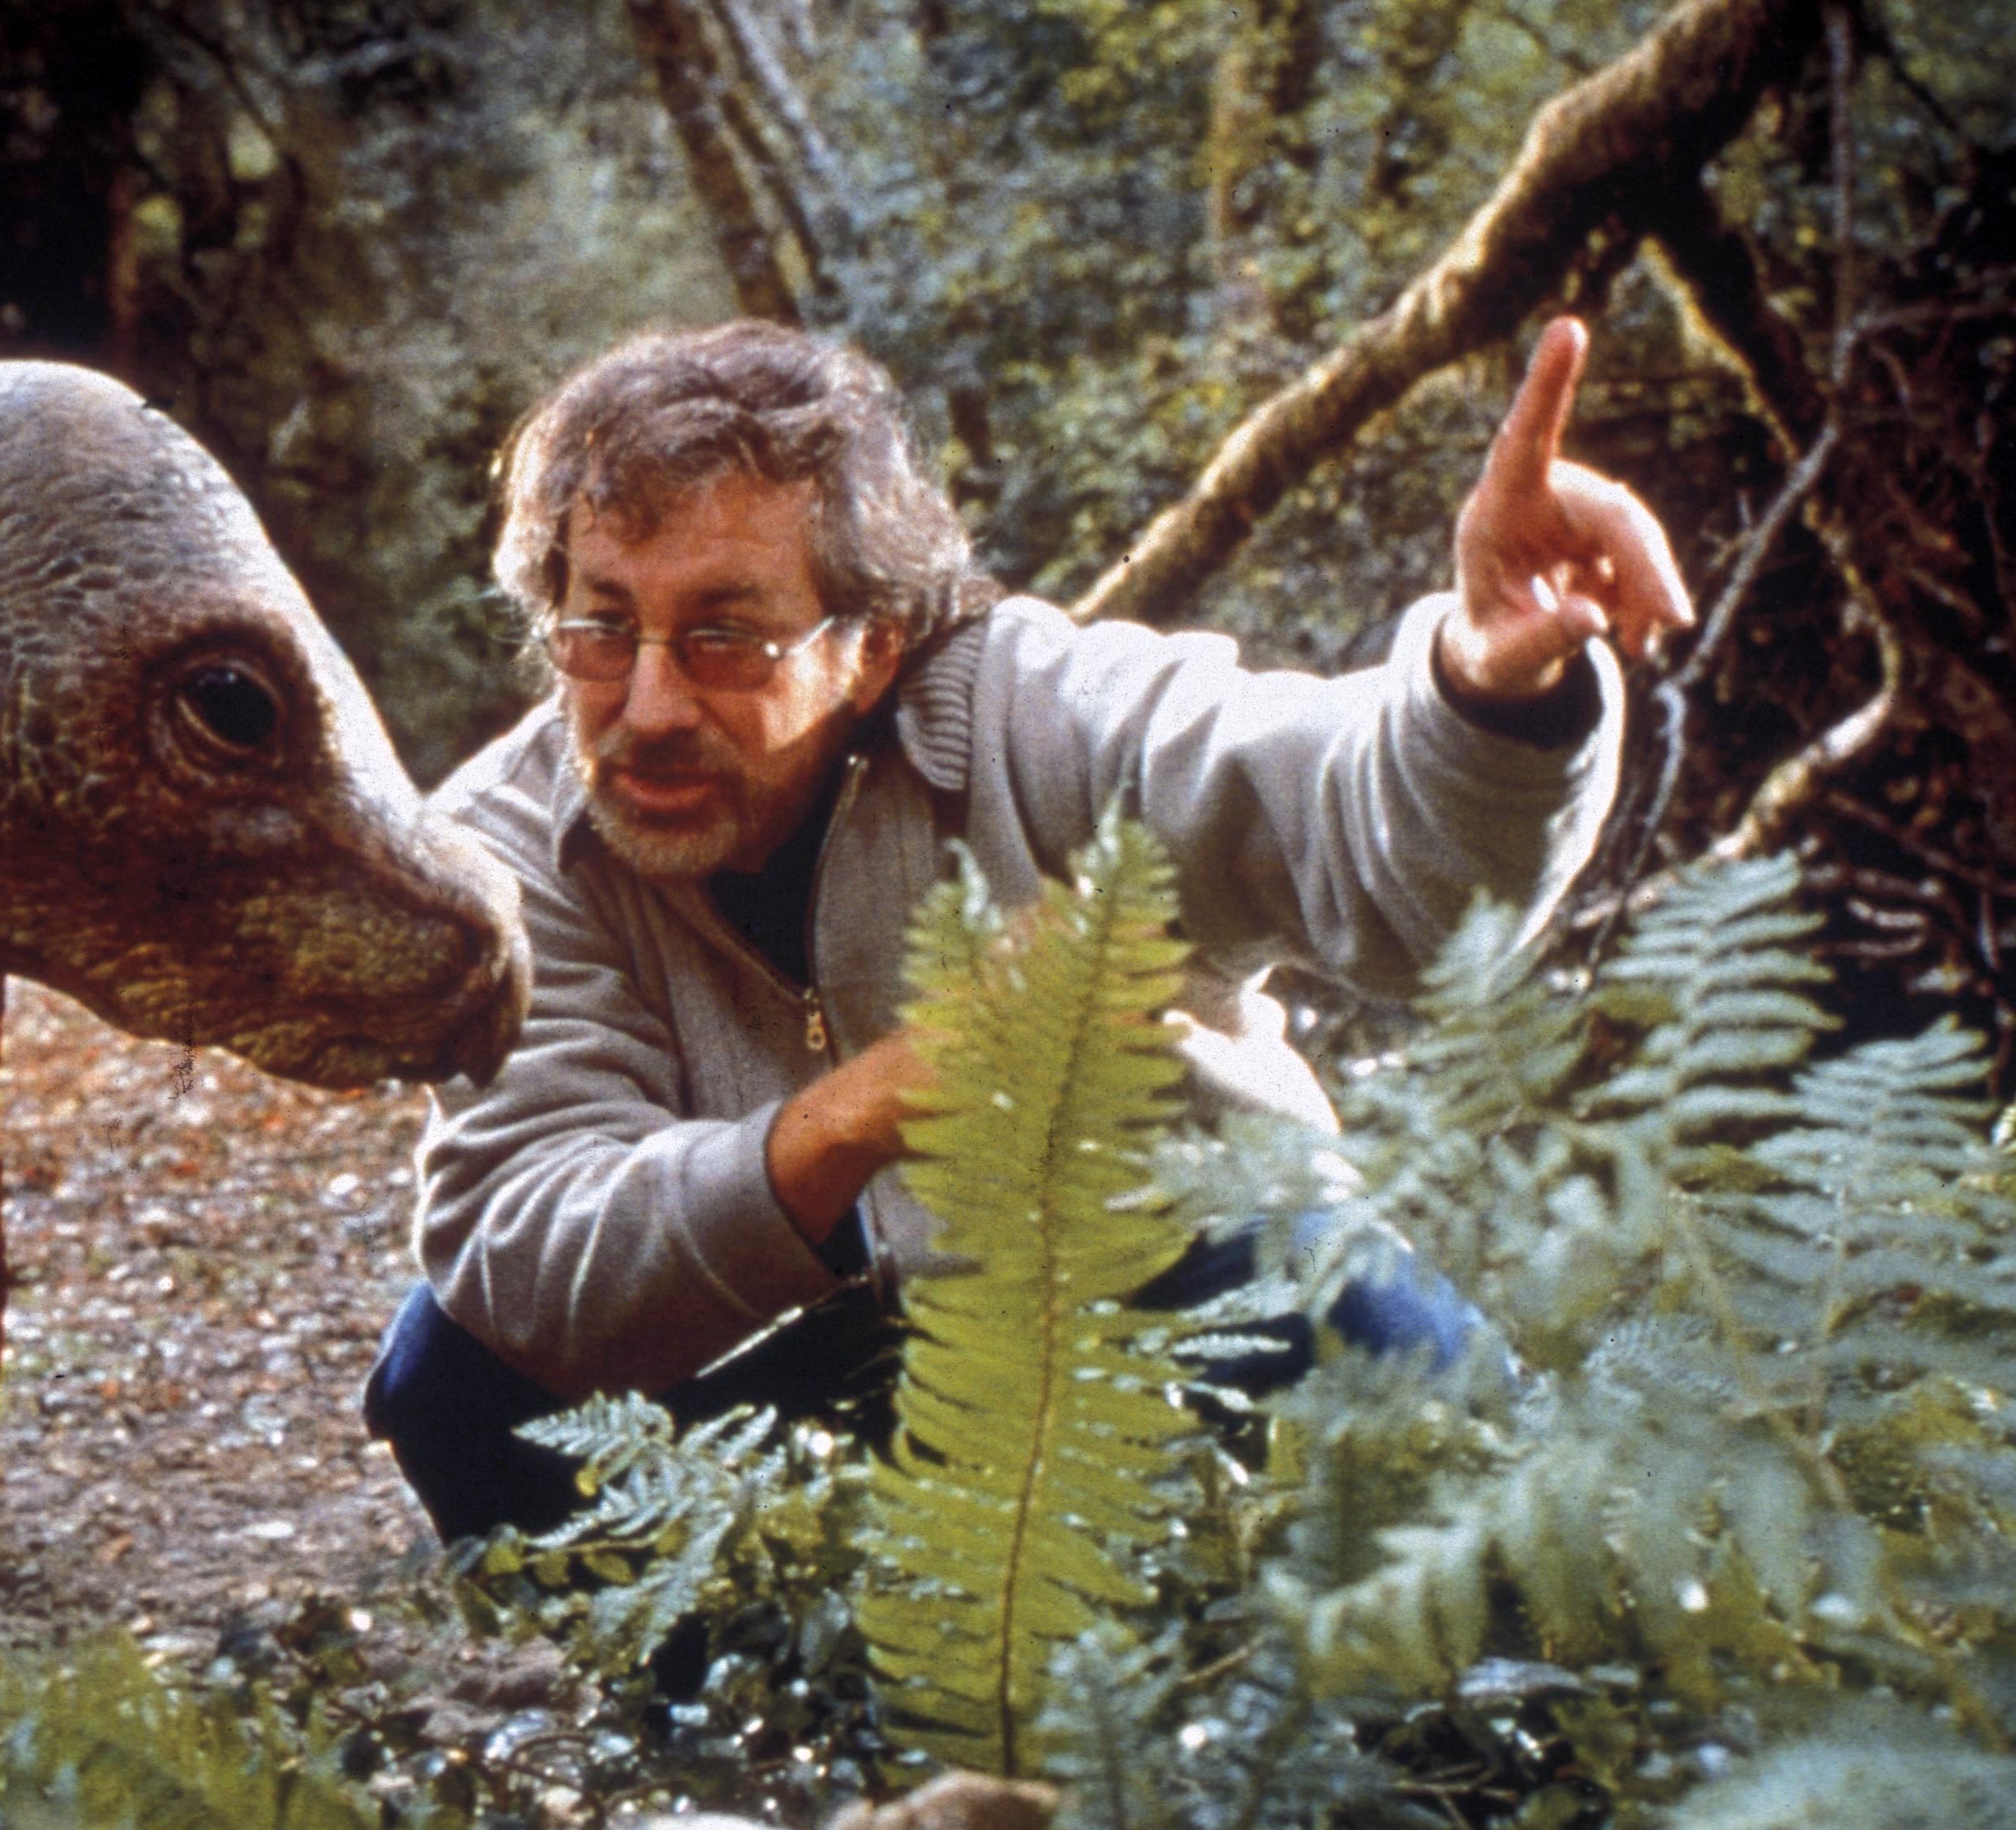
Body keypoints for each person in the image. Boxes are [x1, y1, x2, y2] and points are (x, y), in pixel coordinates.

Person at [365, 317, 1690, 1543]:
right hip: (789, 1343)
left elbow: (1383, 859)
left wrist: (1486, 680)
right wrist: (880, 1103)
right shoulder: (504, 842)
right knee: (448, 1378)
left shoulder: (1044, 712)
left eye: (725, 636)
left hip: (1144, 1271)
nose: (646, 704)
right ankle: (716, 1715)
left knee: (1490, 1500)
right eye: (599, 626)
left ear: (872, 642)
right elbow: (524, 1250)